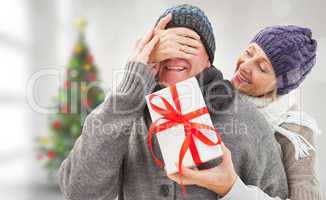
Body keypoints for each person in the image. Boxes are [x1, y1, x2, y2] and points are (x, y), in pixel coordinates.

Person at [58, 5, 288, 200]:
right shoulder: (120, 114)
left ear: (209, 58)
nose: (174, 55)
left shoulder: (247, 119)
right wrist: (131, 86)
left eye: (187, 44)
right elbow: (79, 192)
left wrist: (231, 188)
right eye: (164, 45)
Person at [168, 25, 322, 200]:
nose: (245, 66)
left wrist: (231, 188)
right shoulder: (219, 93)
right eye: (249, 53)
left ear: (280, 86)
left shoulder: (295, 133)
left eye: (262, 68)